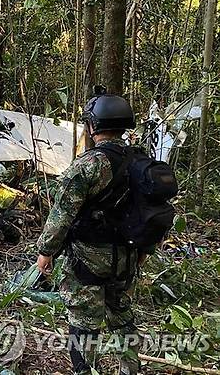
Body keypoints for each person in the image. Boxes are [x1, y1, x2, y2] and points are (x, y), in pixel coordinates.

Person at [35, 92, 149, 375]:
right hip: (128, 256)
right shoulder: (141, 161)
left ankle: (84, 371)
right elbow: (152, 211)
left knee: (84, 322)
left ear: (93, 126)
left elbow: (61, 215)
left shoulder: (88, 165)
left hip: (88, 259)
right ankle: (130, 369)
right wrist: (144, 251)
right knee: (122, 317)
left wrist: (45, 252)